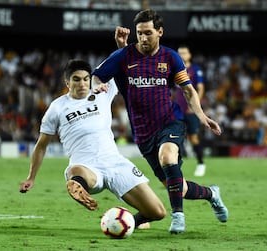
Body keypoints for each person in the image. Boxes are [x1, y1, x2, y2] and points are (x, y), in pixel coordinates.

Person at [91, 9, 228, 234]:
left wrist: (202, 116)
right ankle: (212, 193)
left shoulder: (170, 57)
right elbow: (98, 74)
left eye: (148, 33)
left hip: (170, 121)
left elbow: (188, 90)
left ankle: (178, 217)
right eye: (139, 33)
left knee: (167, 156)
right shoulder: (124, 55)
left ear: (160, 32)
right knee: (179, 188)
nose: (143, 38)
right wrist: (98, 84)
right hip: (143, 134)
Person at [19, 59, 166, 230]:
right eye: (76, 79)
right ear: (67, 82)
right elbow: (41, 145)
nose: (82, 83)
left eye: (85, 79)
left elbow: (122, 63)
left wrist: (120, 45)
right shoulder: (57, 108)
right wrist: (31, 177)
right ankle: (77, 186)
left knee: (158, 212)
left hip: (115, 163)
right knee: (75, 171)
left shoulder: (102, 91)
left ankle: (128, 221)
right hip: (87, 167)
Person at [174, 45, 206, 176]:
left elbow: (200, 88)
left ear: (189, 55)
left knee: (193, 137)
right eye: (179, 53)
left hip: (190, 110)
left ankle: (200, 163)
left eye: (184, 53)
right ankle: (175, 168)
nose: (181, 55)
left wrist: (195, 106)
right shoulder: (174, 70)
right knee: (176, 137)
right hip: (177, 110)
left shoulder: (195, 70)